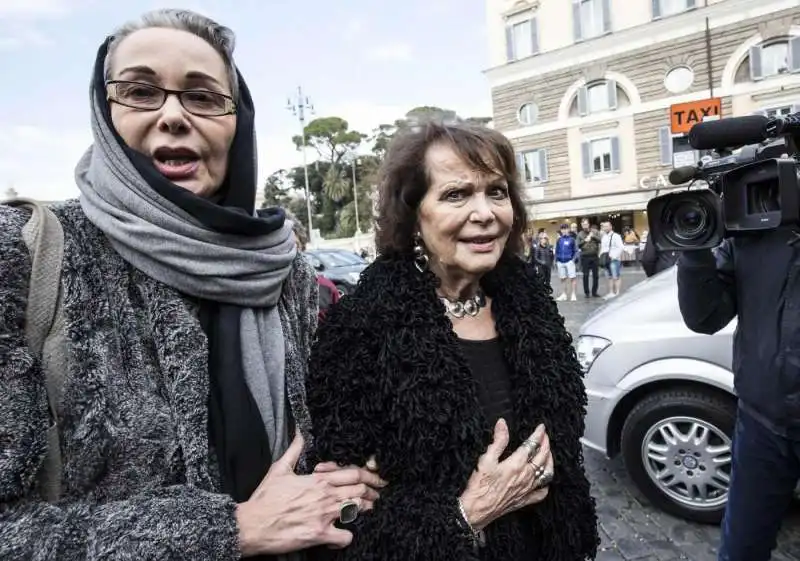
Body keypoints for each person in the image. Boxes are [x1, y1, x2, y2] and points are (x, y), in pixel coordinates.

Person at [0, 10, 382, 559]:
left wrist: (356, 477)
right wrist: (234, 529)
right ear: (104, 113)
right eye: (139, 90)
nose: (174, 115)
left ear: (238, 122)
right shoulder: (25, 254)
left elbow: (319, 460)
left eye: (203, 97)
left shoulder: (285, 274)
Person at [304, 122, 598, 560]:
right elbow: (345, 523)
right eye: (456, 194)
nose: (485, 212)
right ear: (413, 216)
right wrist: (465, 516)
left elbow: (565, 455)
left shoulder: (530, 304)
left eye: (496, 192)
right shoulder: (362, 328)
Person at [678, 232, 800, 561]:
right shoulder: (753, 226)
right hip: (762, 423)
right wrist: (695, 249)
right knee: (740, 551)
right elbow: (705, 317)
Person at [290, 217, 341, 320]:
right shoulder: (259, 294)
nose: (288, 253)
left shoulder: (325, 288)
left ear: (302, 247)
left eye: (293, 245)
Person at [600, 221, 624, 299]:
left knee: (616, 276)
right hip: (606, 259)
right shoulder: (604, 237)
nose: (606, 228)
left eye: (607, 226)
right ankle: (611, 292)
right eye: (604, 226)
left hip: (614, 259)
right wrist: (601, 256)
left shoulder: (616, 236)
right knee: (609, 277)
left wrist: (614, 256)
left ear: (611, 227)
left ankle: (617, 293)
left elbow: (621, 247)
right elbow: (603, 248)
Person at [554, 223, 578, 301]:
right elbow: (556, 250)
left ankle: (573, 294)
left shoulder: (572, 239)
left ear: (568, 230)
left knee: (572, 278)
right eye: (562, 229)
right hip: (560, 261)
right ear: (561, 230)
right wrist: (556, 260)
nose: (564, 230)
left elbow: (576, 251)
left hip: (569, 261)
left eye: (565, 229)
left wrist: (573, 260)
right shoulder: (559, 240)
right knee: (563, 278)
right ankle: (564, 294)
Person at [577, 219, 600, 297]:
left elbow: (600, 240)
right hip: (585, 257)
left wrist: (593, 236)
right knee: (585, 275)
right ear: (581, 225)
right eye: (583, 225)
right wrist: (584, 240)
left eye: (586, 224)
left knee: (595, 275)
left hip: (594, 256)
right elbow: (578, 245)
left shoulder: (595, 231)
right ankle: (587, 293)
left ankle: (594, 292)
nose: (585, 226)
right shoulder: (580, 234)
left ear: (589, 224)